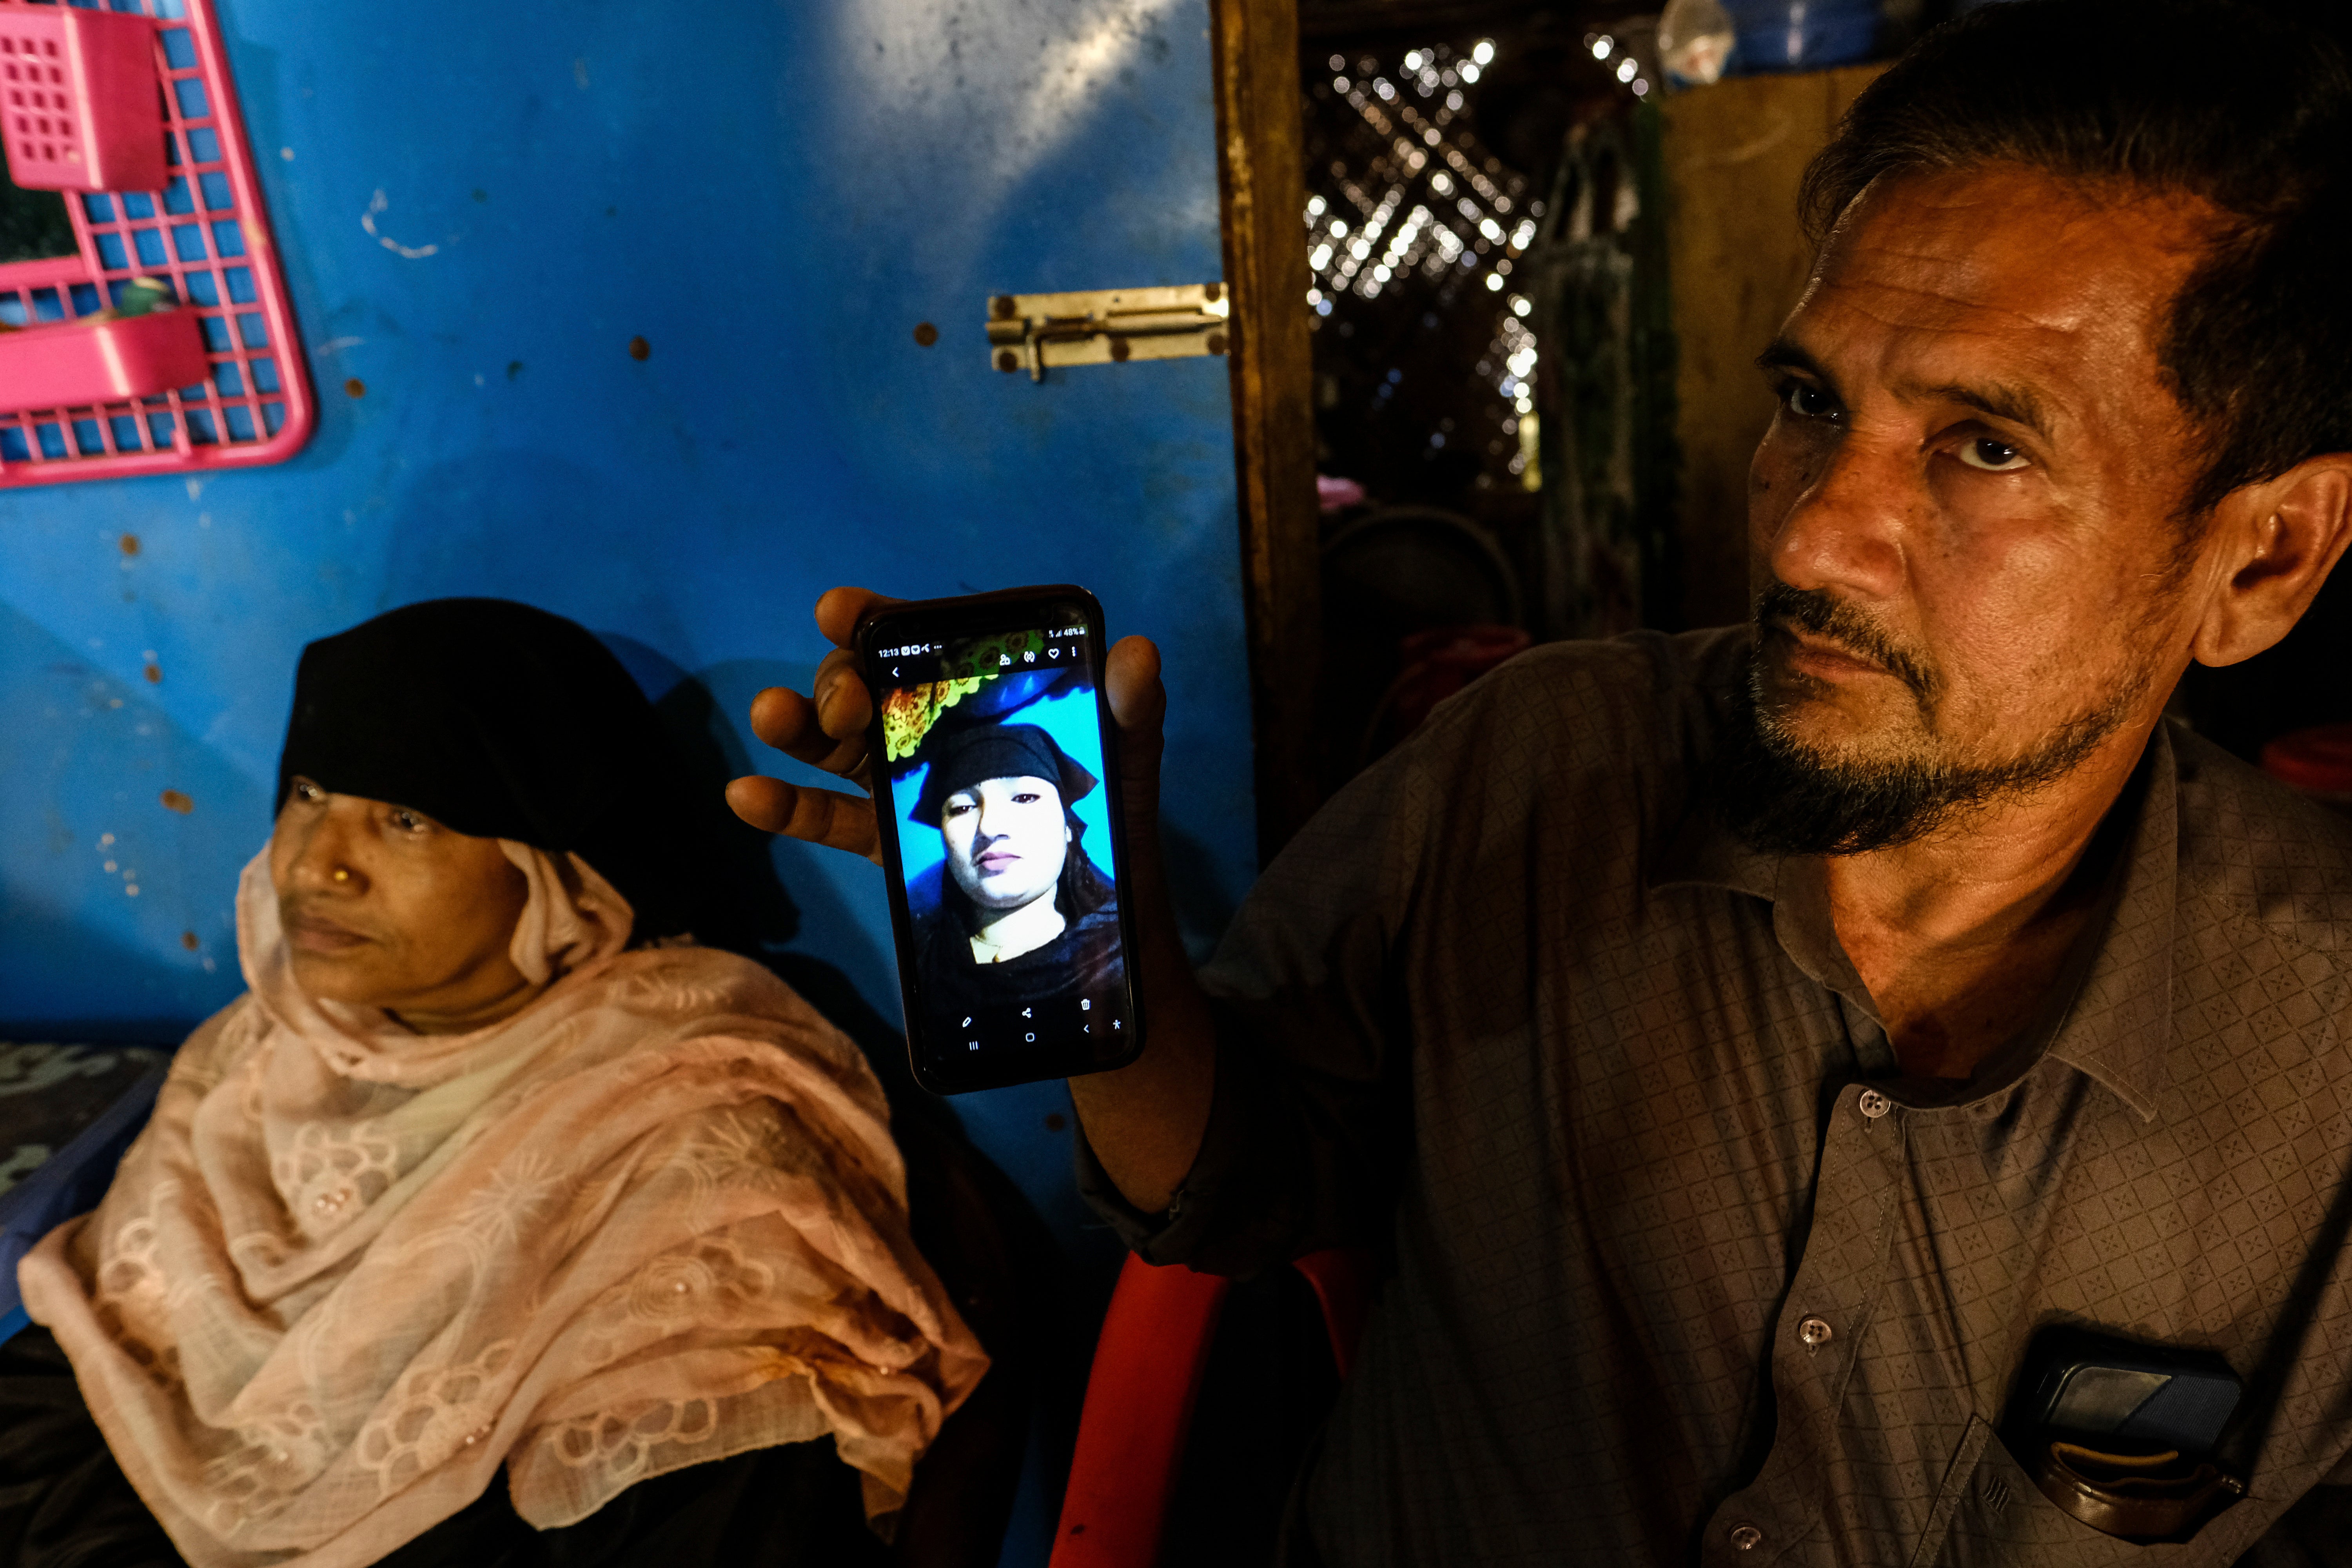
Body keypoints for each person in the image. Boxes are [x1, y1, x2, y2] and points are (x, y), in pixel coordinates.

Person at [730, 1, 2352, 1560]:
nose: (1807, 534)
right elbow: (1233, 1185)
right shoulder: (1540, 758)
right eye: (1810, 404)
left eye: (1986, 444)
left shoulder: (2325, 1052)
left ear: (2265, 558)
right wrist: (1100, 933)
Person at [3, 599, 987, 1568]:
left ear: (553, 872)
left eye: (404, 818)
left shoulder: (697, 1151)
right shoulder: (260, 1058)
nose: (318, 865)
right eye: (307, 793)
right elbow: (67, 1387)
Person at [901, 722, 1123, 1029]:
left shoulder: (1122, 954)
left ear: (1069, 828)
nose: (990, 827)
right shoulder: (914, 965)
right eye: (963, 808)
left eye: (1024, 798)